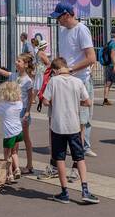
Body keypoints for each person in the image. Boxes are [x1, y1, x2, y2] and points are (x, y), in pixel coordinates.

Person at [42, 57, 98, 204]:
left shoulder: (53, 81)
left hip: (58, 126)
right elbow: (88, 102)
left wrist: (56, 101)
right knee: (79, 157)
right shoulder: (77, 82)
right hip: (74, 125)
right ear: (66, 67)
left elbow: (46, 101)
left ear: (55, 70)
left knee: (59, 158)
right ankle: (85, 190)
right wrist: (75, 102)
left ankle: (64, 192)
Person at [50, 3, 97, 156]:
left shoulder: (81, 30)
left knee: (83, 117)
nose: (57, 20)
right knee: (69, 115)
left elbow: (91, 58)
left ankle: (83, 148)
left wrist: (70, 69)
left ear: (67, 15)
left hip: (80, 79)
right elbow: (64, 56)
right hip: (65, 80)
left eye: (58, 17)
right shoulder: (63, 32)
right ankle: (78, 147)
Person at [0, 80, 25, 184]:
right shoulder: (19, 104)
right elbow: (20, 100)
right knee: (14, 152)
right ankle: (17, 169)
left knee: (7, 156)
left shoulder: (3, 105)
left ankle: (10, 174)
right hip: (18, 132)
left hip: (9, 134)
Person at [15, 53, 37, 175]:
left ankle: (29, 165)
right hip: (16, 110)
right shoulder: (17, 76)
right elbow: (2, 72)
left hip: (23, 111)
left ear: (25, 64)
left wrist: (27, 112)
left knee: (23, 138)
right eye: (17, 60)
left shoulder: (28, 80)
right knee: (17, 139)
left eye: (19, 61)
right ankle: (16, 165)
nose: (16, 62)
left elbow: (30, 98)